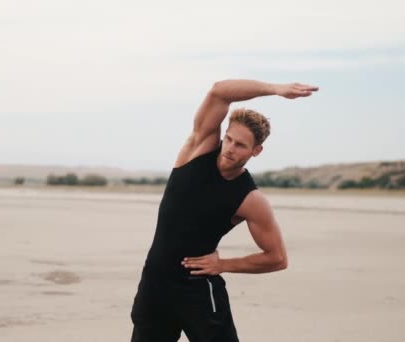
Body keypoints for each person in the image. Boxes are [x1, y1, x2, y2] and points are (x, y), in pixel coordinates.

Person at [130, 79, 319, 342]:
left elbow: (277, 258)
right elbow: (219, 91)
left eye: (240, 145)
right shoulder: (199, 150)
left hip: (198, 290)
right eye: (228, 139)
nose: (229, 149)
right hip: (155, 284)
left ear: (256, 151)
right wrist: (275, 90)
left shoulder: (250, 199)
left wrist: (224, 265)